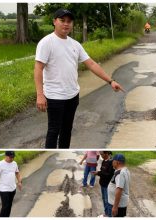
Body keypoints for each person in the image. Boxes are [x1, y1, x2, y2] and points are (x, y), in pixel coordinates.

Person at [34, 9, 124, 149]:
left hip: (72, 96)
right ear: (54, 21)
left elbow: (91, 64)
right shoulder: (47, 42)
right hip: (54, 97)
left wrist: (110, 81)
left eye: (69, 21)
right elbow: (38, 68)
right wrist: (40, 95)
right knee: (53, 131)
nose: (66, 24)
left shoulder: (75, 44)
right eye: (62, 20)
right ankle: (51, 154)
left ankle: (63, 154)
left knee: (67, 130)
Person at [0, 151, 22, 217]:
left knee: (9, 206)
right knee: (5, 207)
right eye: (10, 157)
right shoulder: (0, 165)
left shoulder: (14, 163)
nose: (12, 159)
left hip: (12, 189)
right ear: (5, 156)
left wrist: (19, 182)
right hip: (4, 189)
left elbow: (17, 173)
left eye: (13, 157)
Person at [92, 151, 115, 217]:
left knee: (107, 201)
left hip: (107, 185)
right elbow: (103, 171)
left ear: (106, 153)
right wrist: (97, 172)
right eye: (100, 154)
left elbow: (109, 175)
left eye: (102, 154)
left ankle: (109, 215)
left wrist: (98, 173)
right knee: (104, 199)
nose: (101, 155)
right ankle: (106, 214)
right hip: (102, 184)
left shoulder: (111, 162)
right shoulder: (104, 161)